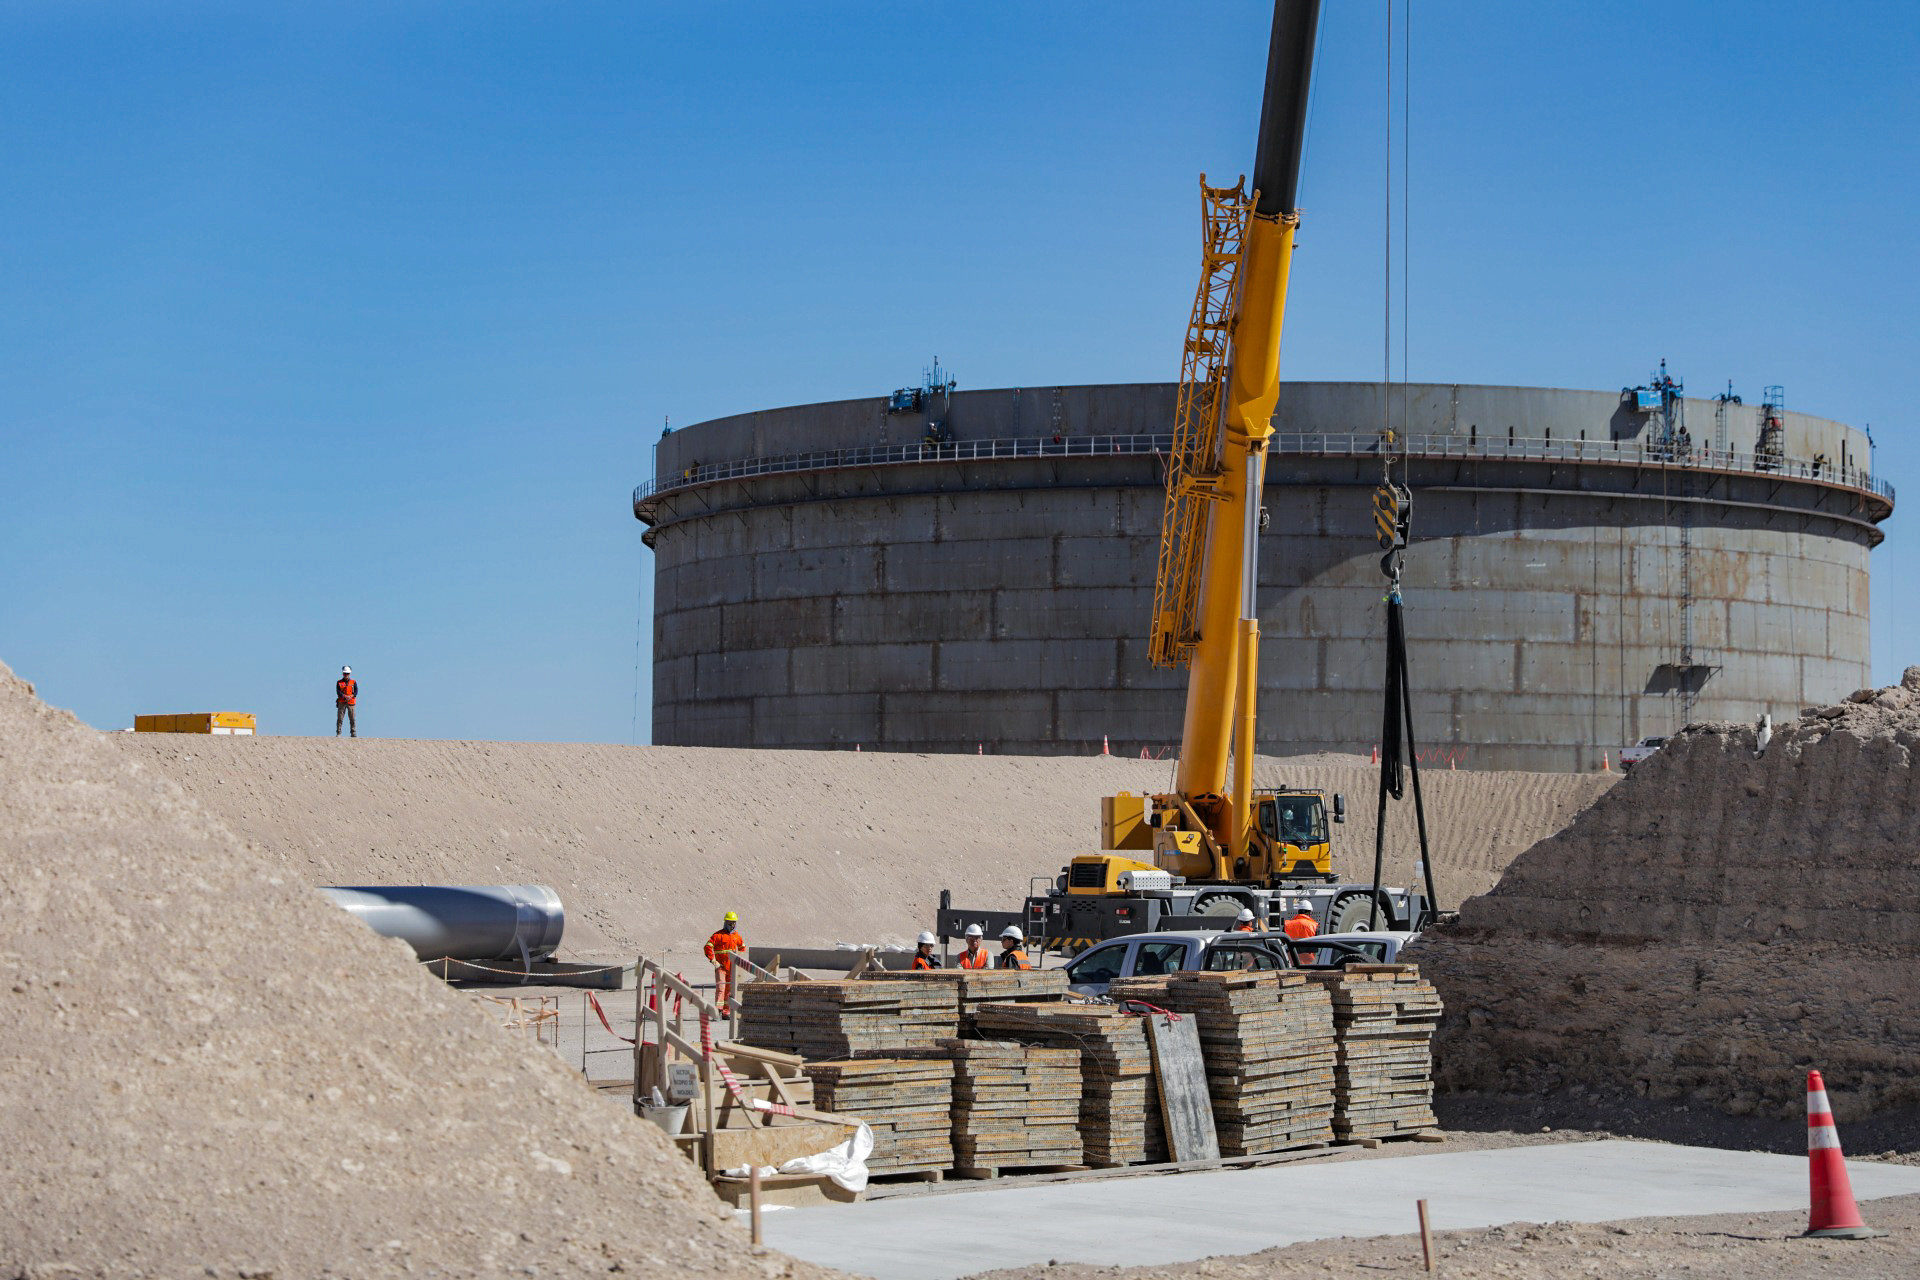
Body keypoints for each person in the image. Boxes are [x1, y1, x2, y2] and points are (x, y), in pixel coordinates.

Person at [704, 911, 746, 1013]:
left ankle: (726, 1011)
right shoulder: (718, 935)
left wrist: (739, 962)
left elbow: (742, 948)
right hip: (721, 967)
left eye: (734, 923)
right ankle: (718, 1010)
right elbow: (707, 947)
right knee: (721, 988)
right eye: (730, 922)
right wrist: (713, 961)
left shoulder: (736, 936)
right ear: (725, 922)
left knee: (729, 990)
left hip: (732, 968)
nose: (732, 925)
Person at [335, 665, 358, 737]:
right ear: (343, 673)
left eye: (347, 673)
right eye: (345, 673)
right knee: (340, 718)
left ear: (349, 674)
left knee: (352, 718)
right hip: (342, 702)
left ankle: (353, 732)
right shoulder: (339, 682)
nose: (346, 675)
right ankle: (338, 732)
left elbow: (356, 691)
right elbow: (338, 692)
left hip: (351, 702)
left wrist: (351, 696)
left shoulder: (353, 682)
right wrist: (344, 696)